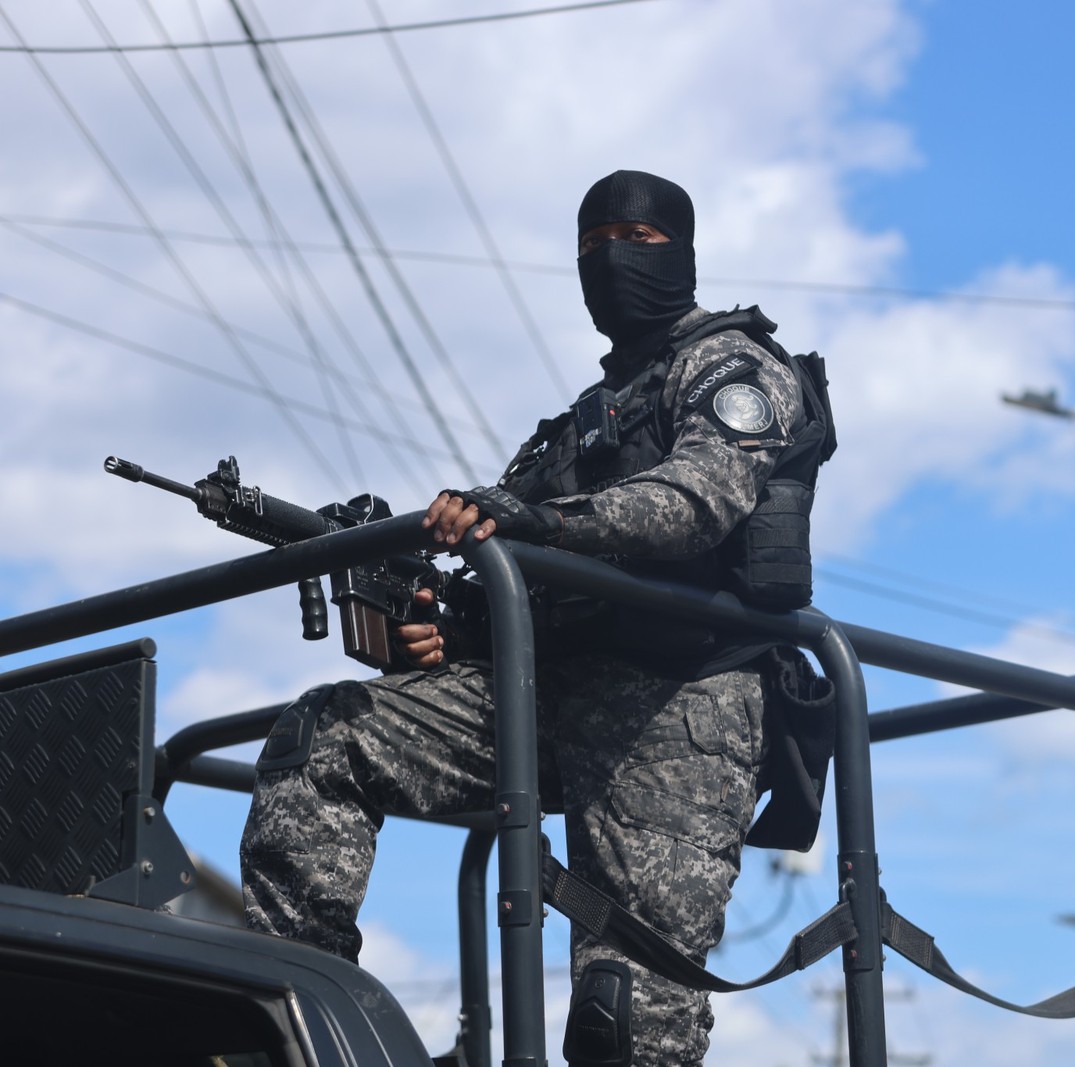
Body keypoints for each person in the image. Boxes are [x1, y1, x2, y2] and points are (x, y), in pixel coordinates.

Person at [240, 170, 813, 1067]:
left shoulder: (735, 368)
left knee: (629, 1023)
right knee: (324, 738)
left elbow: (696, 500)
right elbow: (509, 570)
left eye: (636, 240)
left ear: (684, 253)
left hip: (676, 710)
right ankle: (301, 1029)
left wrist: (540, 523)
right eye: (592, 246)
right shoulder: (578, 426)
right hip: (549, 694)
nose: (612, 260)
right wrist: (445, 630)